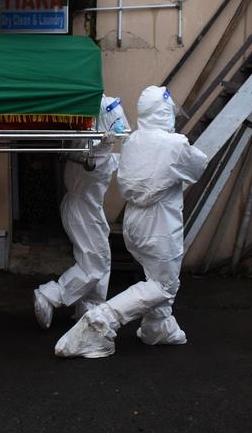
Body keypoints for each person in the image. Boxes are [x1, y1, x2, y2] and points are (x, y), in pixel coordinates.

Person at [55, 86, 208, 358]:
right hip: (159, 224)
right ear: (164, 112)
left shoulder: (133, 140)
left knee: (154, 276)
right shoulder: (174, 144)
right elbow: (198, 165)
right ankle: (101, 320)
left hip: (133, 222)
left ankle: (158, 329)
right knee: (163, 285)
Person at [33, 94, 129, 329]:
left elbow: (110, 161)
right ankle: (50, 295)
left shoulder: (85, 149)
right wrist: (105, 145)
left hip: (84, 209)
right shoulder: (93, 153)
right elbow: (98, 165)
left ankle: (90, 309)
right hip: (82, 210)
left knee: (98, 259)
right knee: (95, 263)